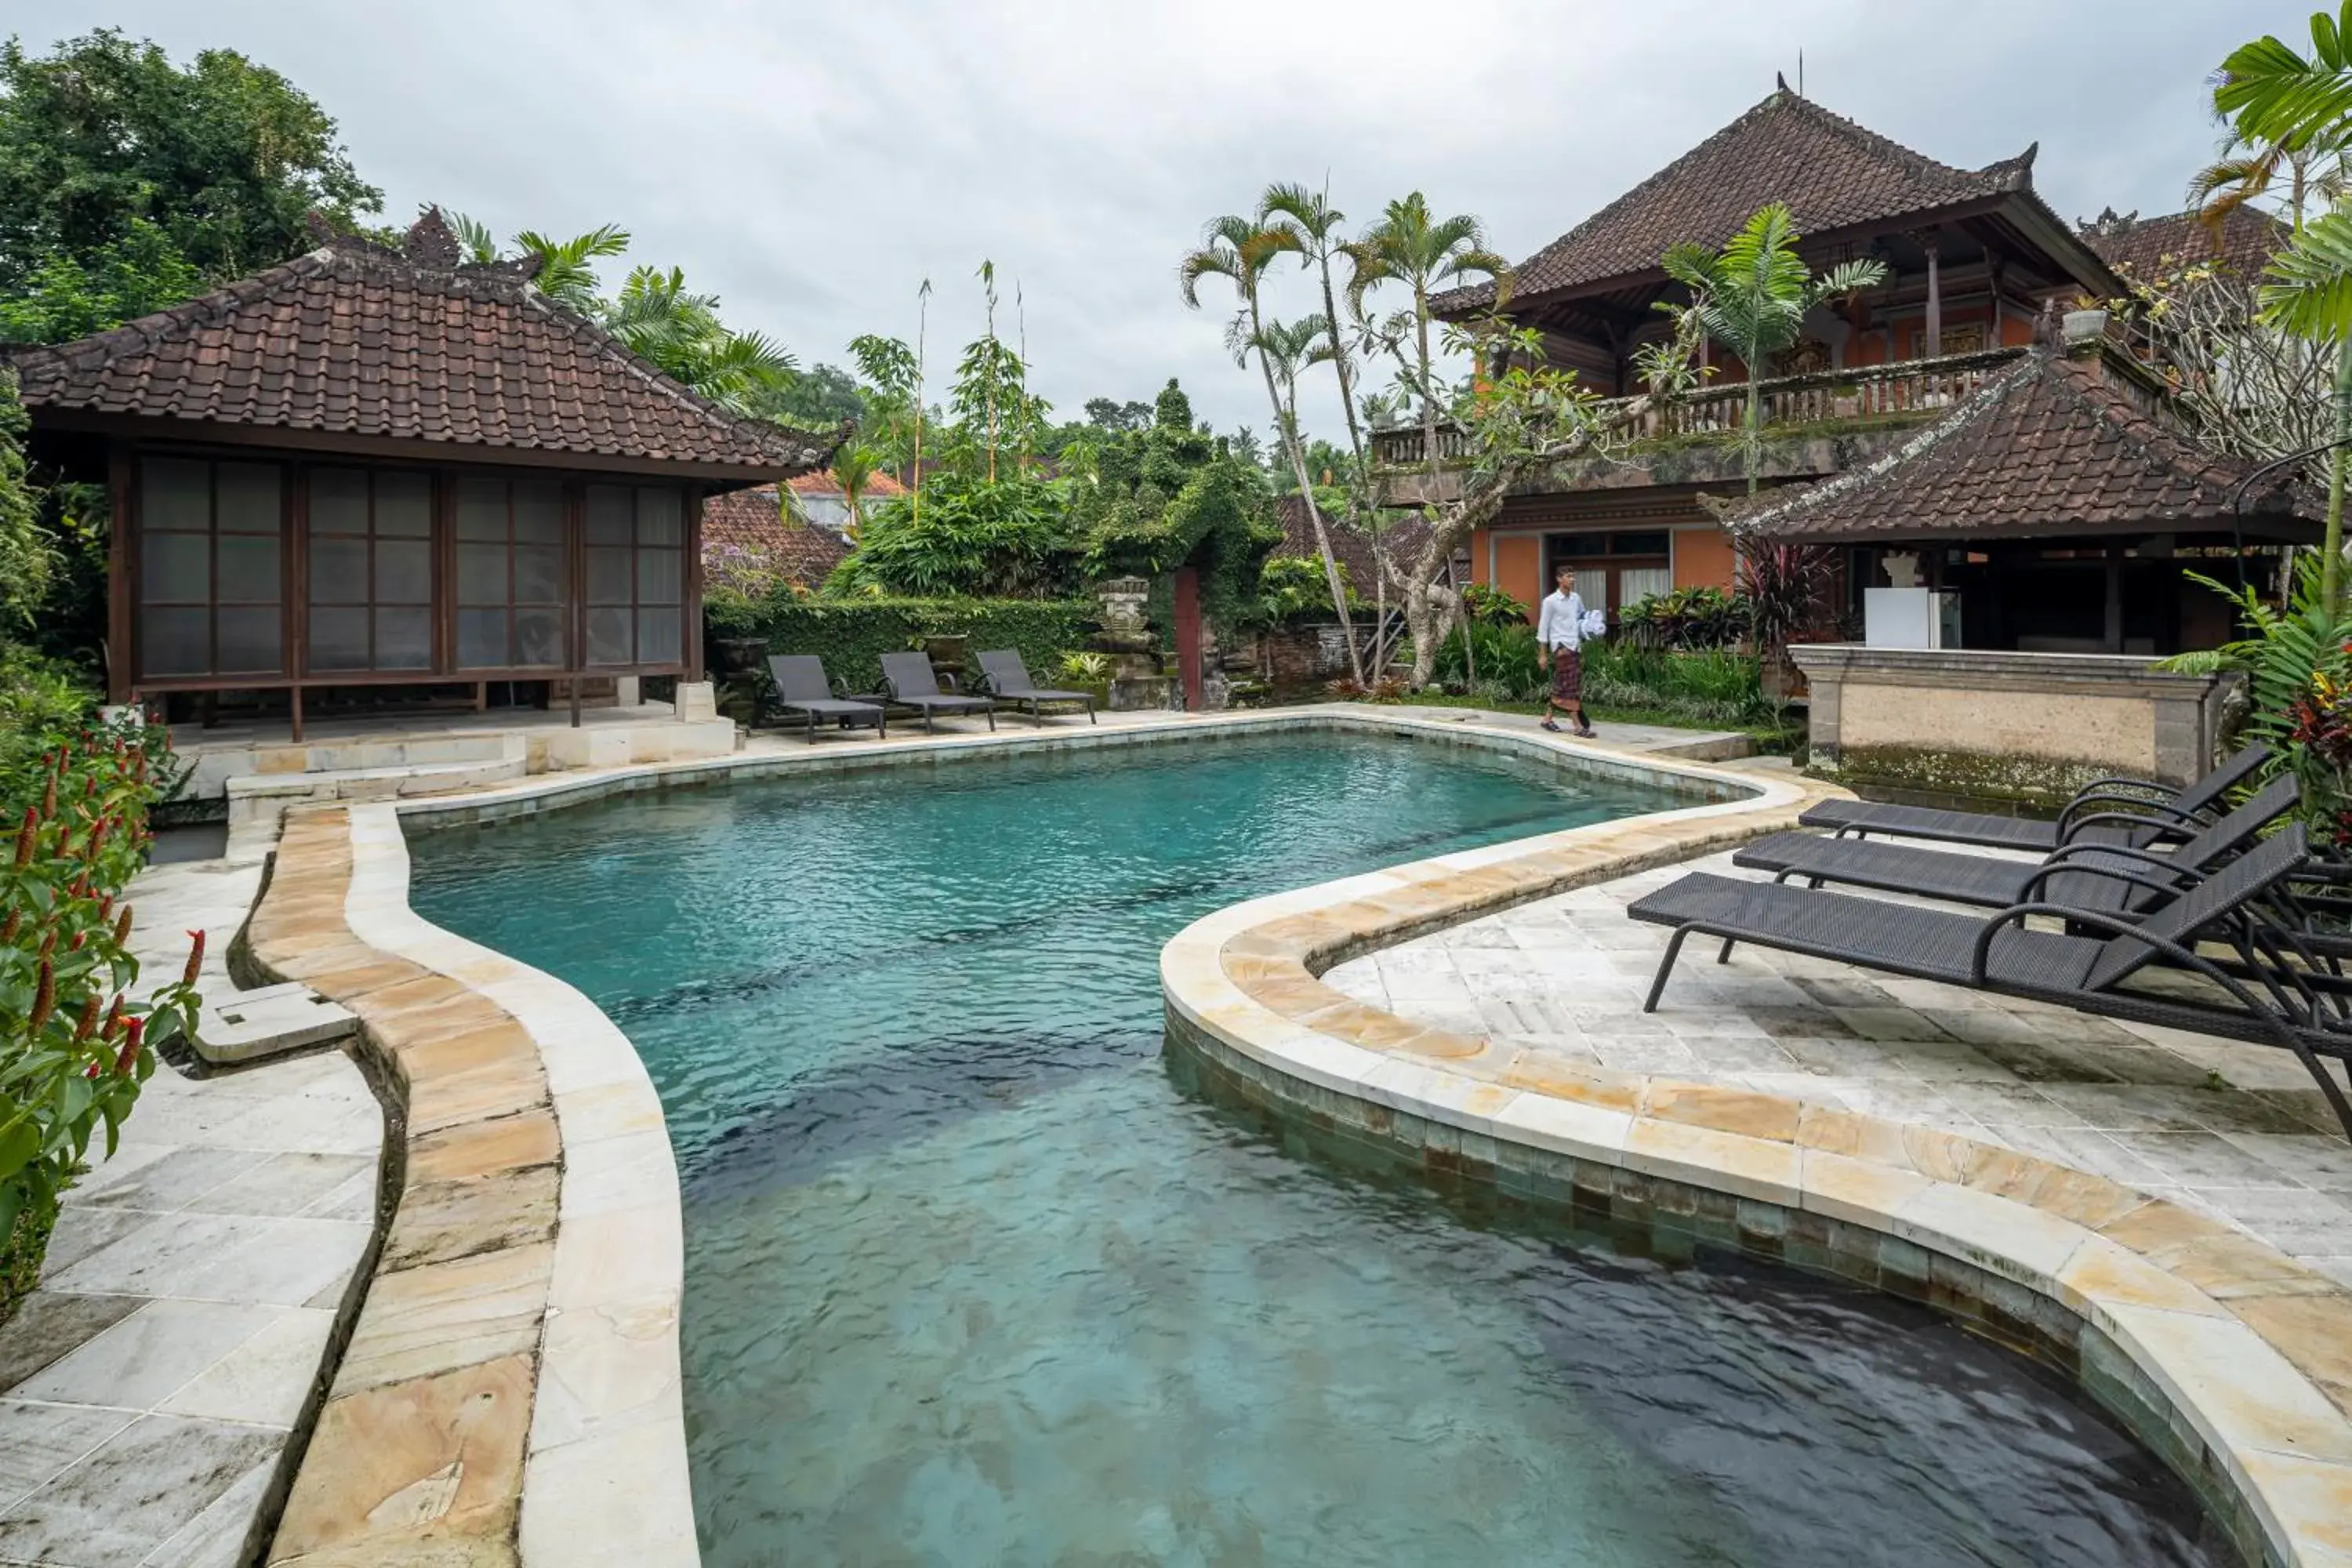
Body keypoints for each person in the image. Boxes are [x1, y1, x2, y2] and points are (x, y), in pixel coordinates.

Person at [1536, 562, 1596, 738]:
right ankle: (1578, 726)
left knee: (1565, 685)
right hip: (1561, 647)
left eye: (1573, 576)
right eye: (1568, 576)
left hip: (1575, 645)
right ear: (1559, 579)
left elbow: (1582, 618)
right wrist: (1542, 655)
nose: (1572, 579)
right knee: (1569, 687)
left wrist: (1592, 625)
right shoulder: (1550, 602)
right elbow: (1543, 628)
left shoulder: (1576, 599)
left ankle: (1547, 719)